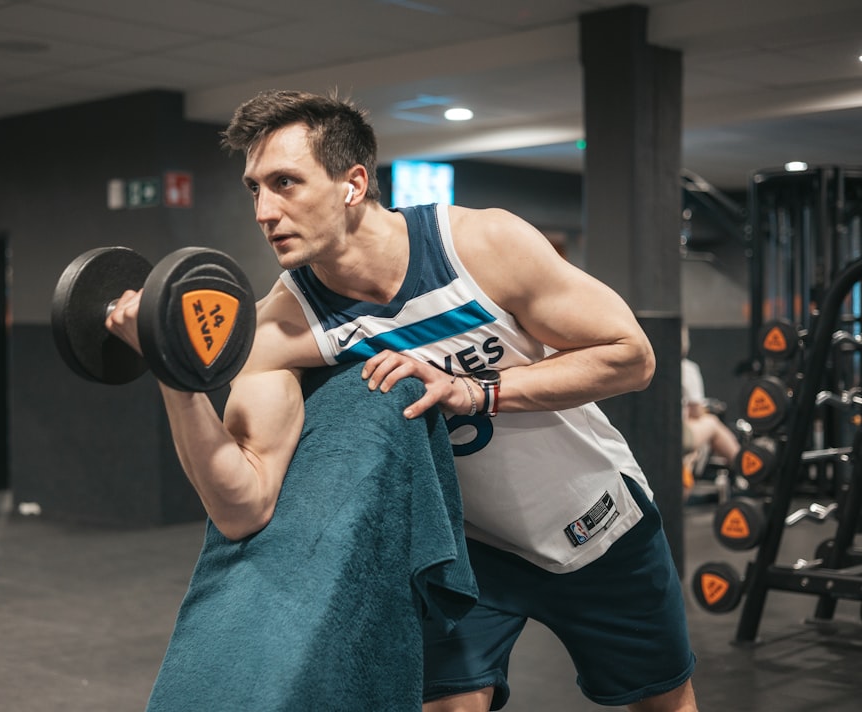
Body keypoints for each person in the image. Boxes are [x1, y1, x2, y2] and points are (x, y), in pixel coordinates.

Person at [107, 90, 698, 711]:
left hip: (593, 519)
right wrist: (171, 372)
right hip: (471, 549)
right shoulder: (282, 329)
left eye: (285, 182)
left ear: (352, 183)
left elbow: (632, 356)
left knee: (663, 703)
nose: (264, 209)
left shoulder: (480, 245)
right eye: (254, 188)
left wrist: (475, 390)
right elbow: (243, 506)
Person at [681, 326, 740, 499]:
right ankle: (746, 469)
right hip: (679, 435)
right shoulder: (687, 368)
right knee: (712, 423)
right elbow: (696, 410)